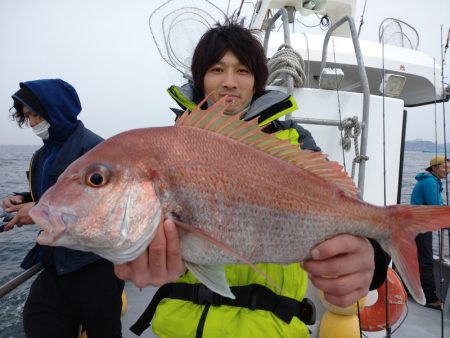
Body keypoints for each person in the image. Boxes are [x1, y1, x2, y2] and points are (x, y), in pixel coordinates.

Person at [115, 20, 389, 337]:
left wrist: (372, 255)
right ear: (200, 78)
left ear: (257, 81)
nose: (229, 82)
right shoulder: (173, 147)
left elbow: (341, 206)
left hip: (268, 329)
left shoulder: (293, 142)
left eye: (242, 71)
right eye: (217, 70)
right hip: (176, 327)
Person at [2, 79, 124, 338]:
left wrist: (38, 211)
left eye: (35, 113)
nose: (32, 122)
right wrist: (23, 198)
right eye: (27, 116)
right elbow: (48, 192)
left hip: (95, 265)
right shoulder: (42, 155)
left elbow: (112, 206)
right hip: (55, 263)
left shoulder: (95, 149)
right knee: (38, 320)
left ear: (56, 109)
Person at [410, 155, 449, 310]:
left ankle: (418, 293)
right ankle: (429, 298)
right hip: (420, 226)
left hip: (418, 225)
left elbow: (439, 204)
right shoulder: (430, 182)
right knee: (425, 261)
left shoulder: (431, 181)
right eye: (445, 168)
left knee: (420, 259)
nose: (447, 171)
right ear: (434, 168)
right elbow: (436, 207)